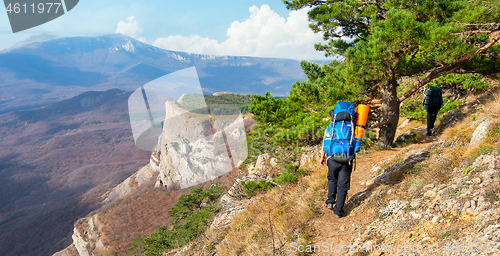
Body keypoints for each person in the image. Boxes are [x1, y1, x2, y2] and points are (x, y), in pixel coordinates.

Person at [320, 151, 352, 218]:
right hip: (346, 160)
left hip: (332, 159)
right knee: (343, 185)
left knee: (332, 180)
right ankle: (338, 211)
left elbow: (326, 142)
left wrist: (323, 156)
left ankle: (330, 202)